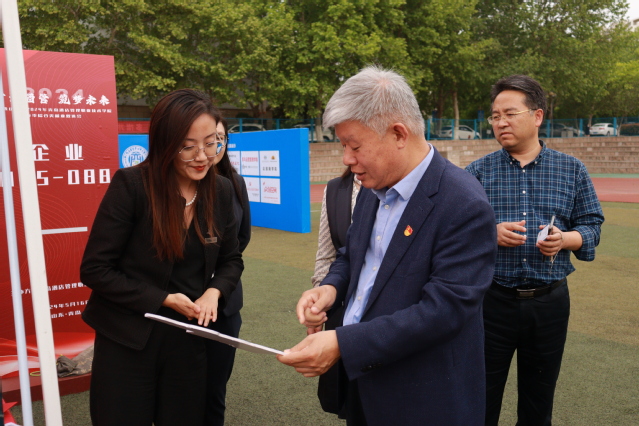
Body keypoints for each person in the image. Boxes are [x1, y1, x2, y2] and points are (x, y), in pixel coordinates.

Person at [277, 66, 498, 426]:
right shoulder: (373, 185)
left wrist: (343, 344)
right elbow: (353, 255)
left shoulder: (463, 203)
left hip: (421, 400)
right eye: (343, 146)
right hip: (363, 385)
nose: (347, 159)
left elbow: (443, 311)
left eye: (354, 146)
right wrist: (330, 288)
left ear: (398, 134)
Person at [80, 89, 243, 426]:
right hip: (127, 339)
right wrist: (164, 299)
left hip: (187, 340)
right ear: (165, 143)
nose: (202, 156)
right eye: (188, 146)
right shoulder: (131, 186)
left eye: (211, 143)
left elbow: (232, 260)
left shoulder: (222, 190)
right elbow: (95, 269)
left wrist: (214, 292)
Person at [465, 75, 604, 426]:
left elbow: (592, 225)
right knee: (479, 400)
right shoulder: (477, 173)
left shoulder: (572, 170)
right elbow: (454, 232)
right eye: (495, 116)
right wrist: (489, 233)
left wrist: (566, 239)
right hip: (490, 302)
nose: (501, 122)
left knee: (538, 403)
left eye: (510, 114)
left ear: (537, 116)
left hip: (549, 303)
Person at [204, 118, 251, 425]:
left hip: (226, 305)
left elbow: (241, 238)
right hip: (180, 305)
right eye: (209, 138)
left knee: (214, 390)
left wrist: (218, 281)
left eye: (220, 138)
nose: (214, 145)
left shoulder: (235, 183)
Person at [311, 167, 361, 288]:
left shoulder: (391, 192)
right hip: (347, 294)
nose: (347, 160)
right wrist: (321, 289)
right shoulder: (335, 189)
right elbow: (326, 256)